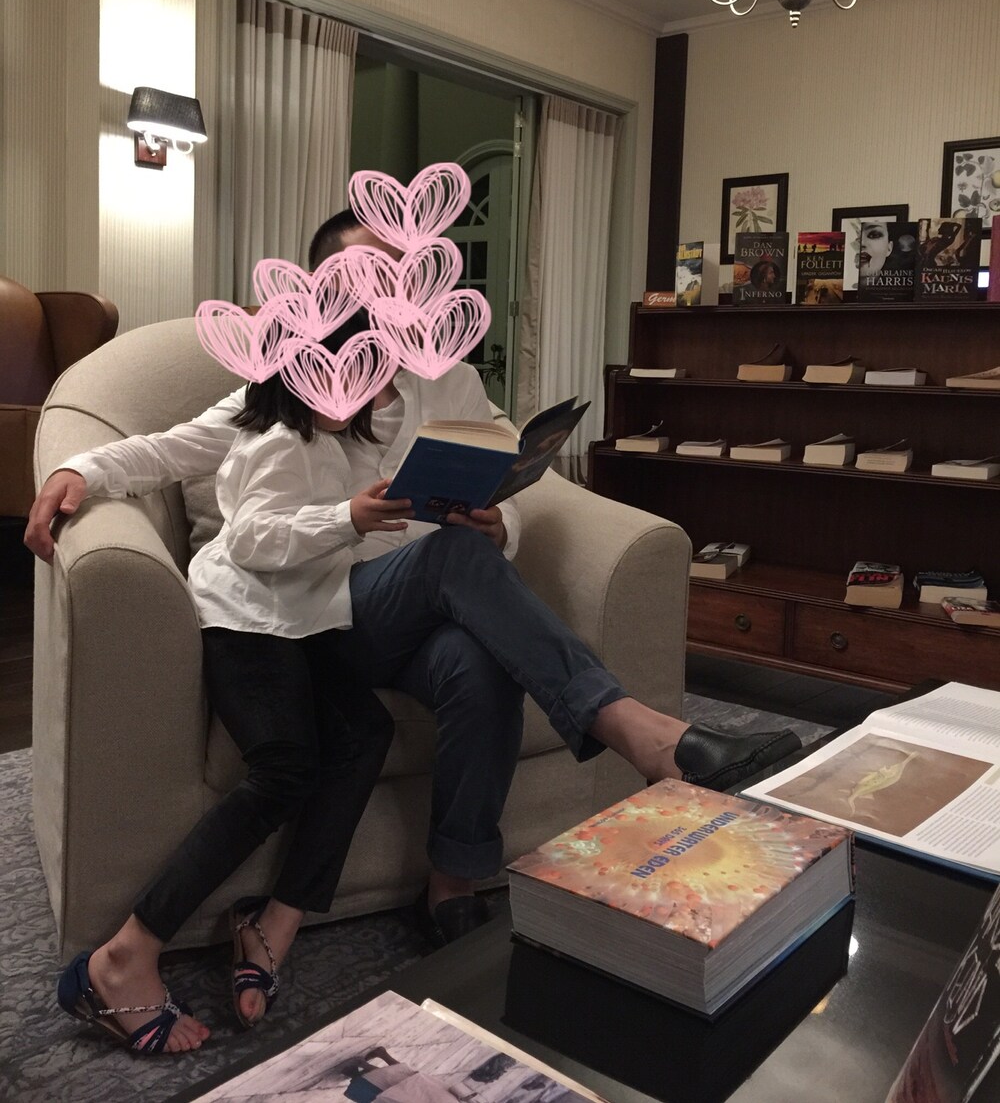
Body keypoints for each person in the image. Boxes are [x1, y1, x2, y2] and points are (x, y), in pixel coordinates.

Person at [30, 208, 801, 1002]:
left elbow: (507, 478)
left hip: (418, 611)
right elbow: (170, 449)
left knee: (478, 659)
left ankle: (453, 880)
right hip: (326, 613)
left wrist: (502, 521)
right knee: (450, 559)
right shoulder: (297, 384)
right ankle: (639, 733)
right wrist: (81, 471)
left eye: (401, 272)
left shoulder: (448, 378)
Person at [56, 312, 396, 1054]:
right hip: (244, 615)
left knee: (367, 731)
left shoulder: (353, 430)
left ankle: (274, 920)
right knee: (284, 769)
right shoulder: (273, 432)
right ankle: (124, 954)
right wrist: (83, 469)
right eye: (351, 370)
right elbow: (242, 527)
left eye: (377, 372)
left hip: (308, 617)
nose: (369, 389)